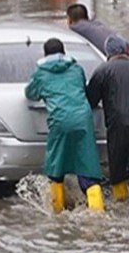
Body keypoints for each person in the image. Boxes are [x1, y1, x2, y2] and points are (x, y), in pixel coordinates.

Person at [25, 38, 104, 213]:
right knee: (87, 166)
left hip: (60, 121)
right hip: (84, 119)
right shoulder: (76, 69)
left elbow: (30, 93)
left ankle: (58, 216)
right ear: (64, 52)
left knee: (56, 167)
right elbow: (82, 89)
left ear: (45, 54)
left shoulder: (41, 73)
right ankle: (98, 216)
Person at [86, 35, 129, 201]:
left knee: (118, 169)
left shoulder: (102, 70)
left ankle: (121, 204)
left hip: (118, 125)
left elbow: (90, 100)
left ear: (108, 52)